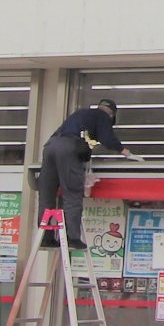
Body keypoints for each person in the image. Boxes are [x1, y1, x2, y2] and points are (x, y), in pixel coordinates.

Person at [34, 98, 133, 247]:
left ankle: (45, 238)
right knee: (72, 193)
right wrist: (126, 152)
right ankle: (72, 238)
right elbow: (107, 139)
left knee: (47, 194)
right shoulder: (103, 116)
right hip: (68, 148)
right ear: (112, 114)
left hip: (50, 147)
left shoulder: (81, 114)